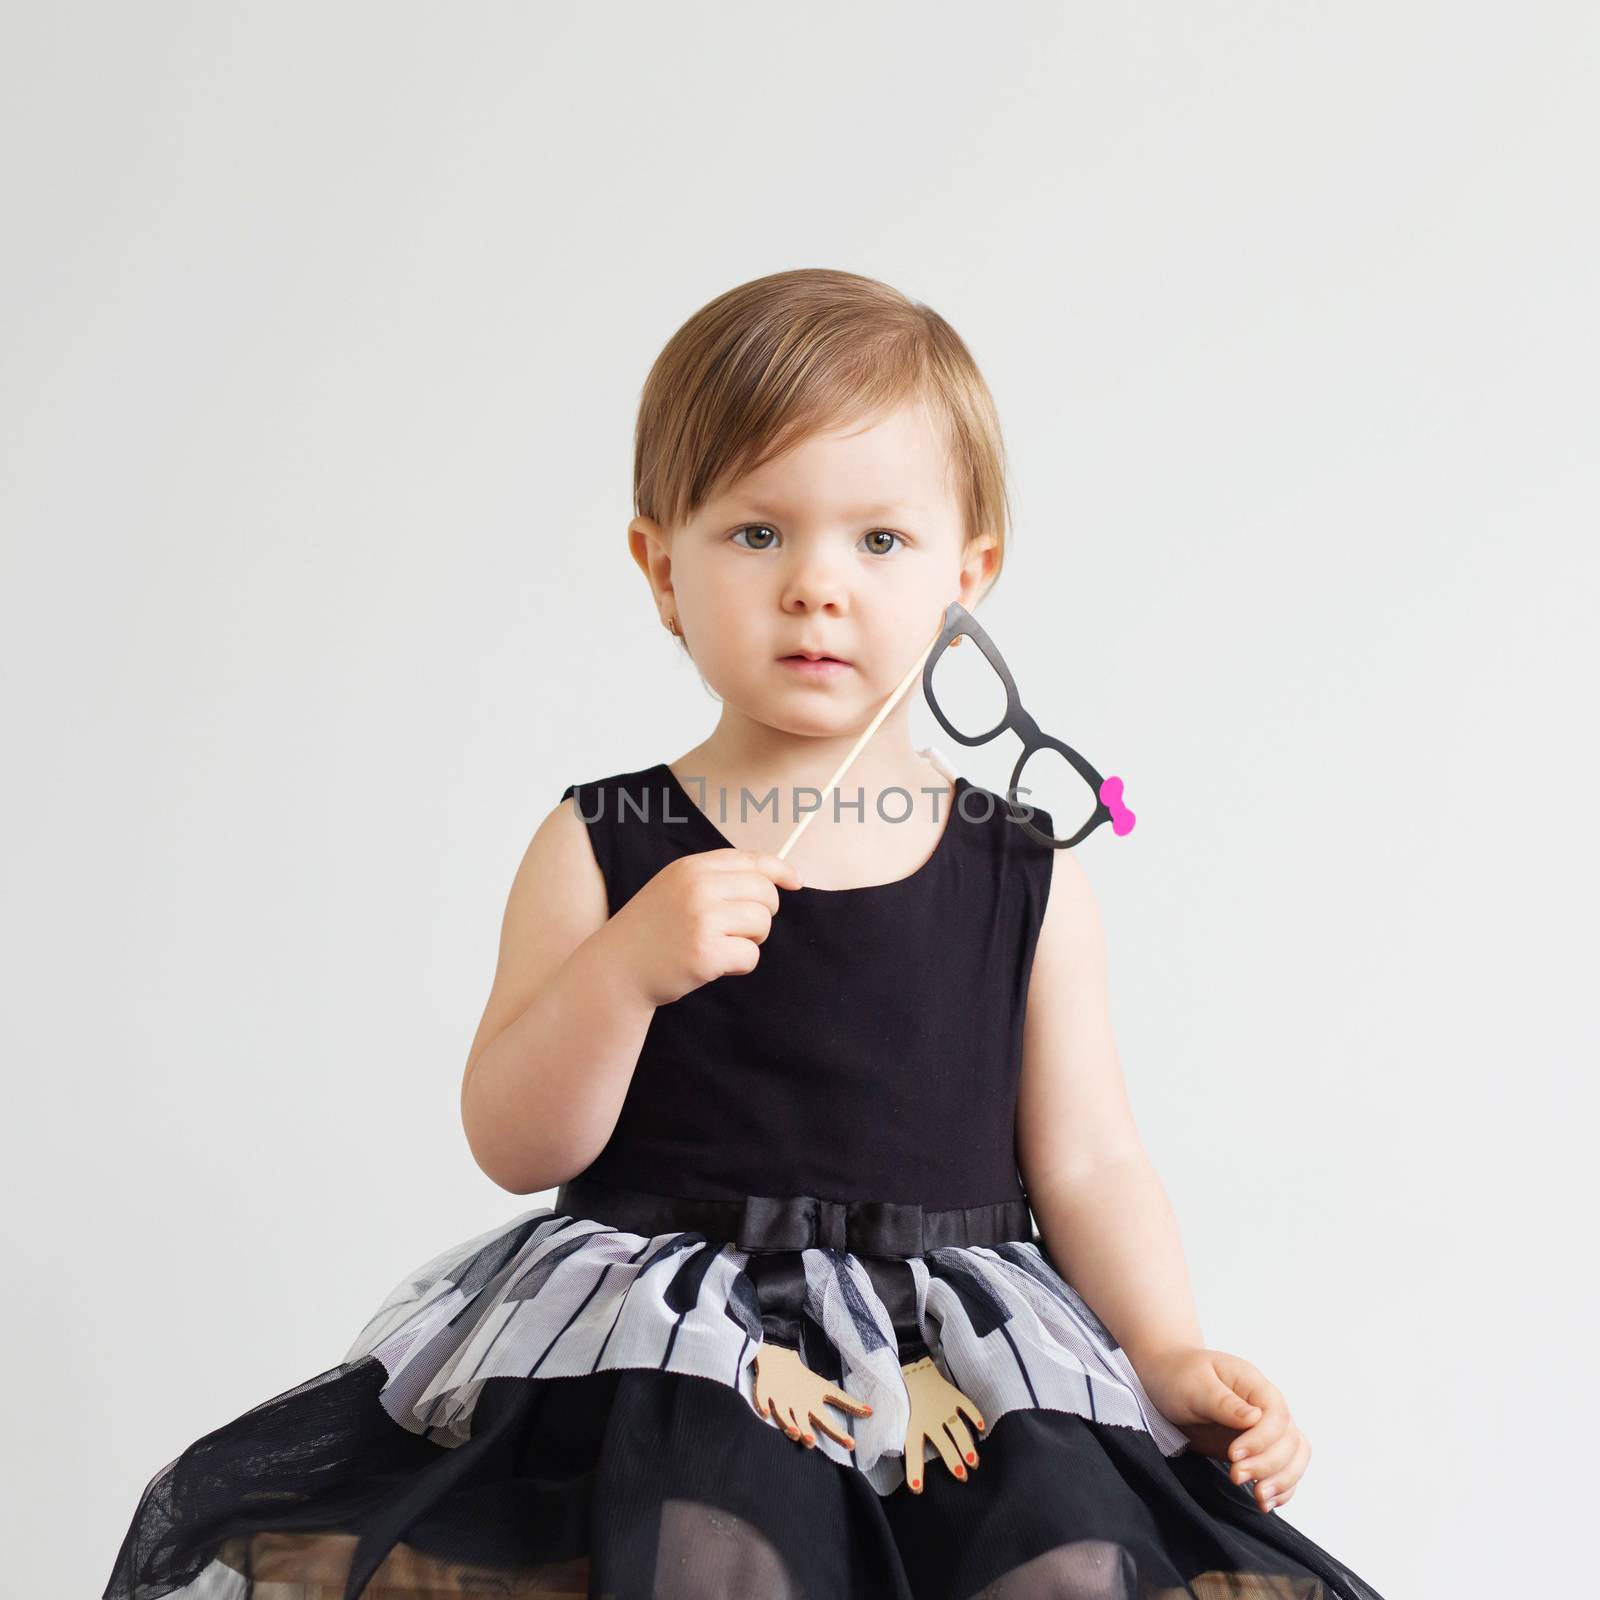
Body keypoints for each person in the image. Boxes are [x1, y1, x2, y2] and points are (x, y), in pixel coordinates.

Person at [103, 268, 1386, 1599]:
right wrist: (623, 973)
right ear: (662, 568)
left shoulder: (1023, 873)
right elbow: (516, 1144)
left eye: (879, 542)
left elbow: (1093, 1157)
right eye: (758, 535)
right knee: (714, 1553)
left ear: (969, 574)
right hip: (681, 1357)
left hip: (953, 1360)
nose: (816, 589)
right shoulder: (602, 844)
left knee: (1055, 1564)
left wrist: (1171, 1352)